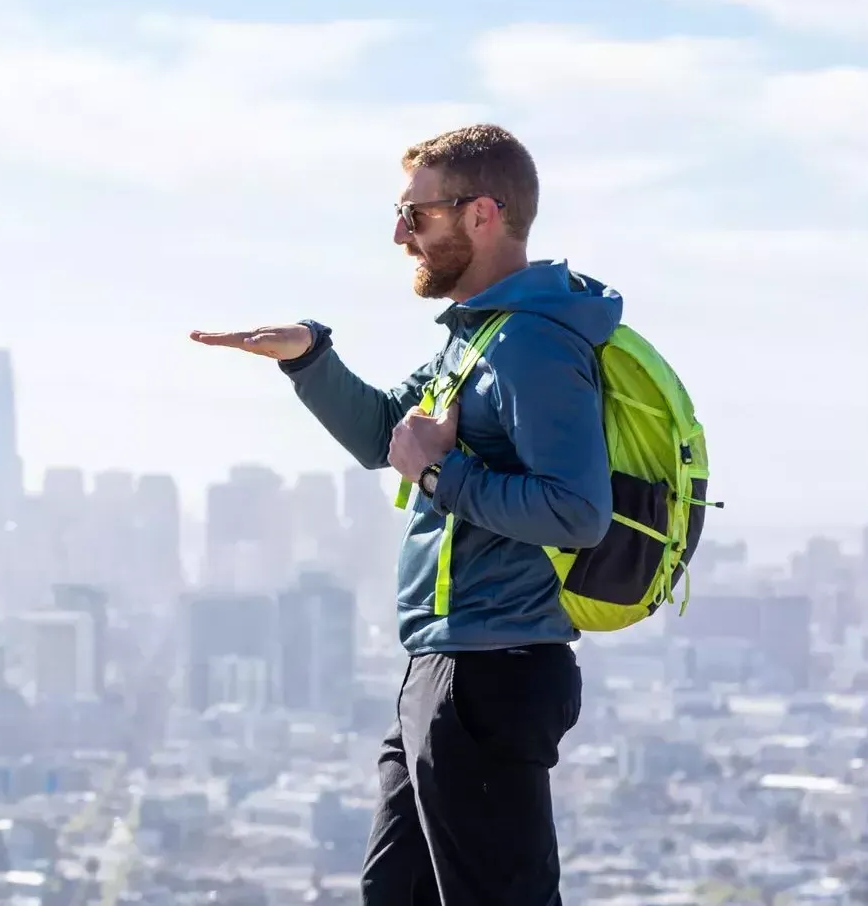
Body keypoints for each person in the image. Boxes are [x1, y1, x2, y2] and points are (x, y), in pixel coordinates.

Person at [191, 124, 617, 905]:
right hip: (447, 661)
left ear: (482, 215)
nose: (399, 234)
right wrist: (309, 359)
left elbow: (579, 510)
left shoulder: (531, 345)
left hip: (494, 666)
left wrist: (439, 475)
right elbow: (386, 433)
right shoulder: (478, 337)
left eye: (416, 215)